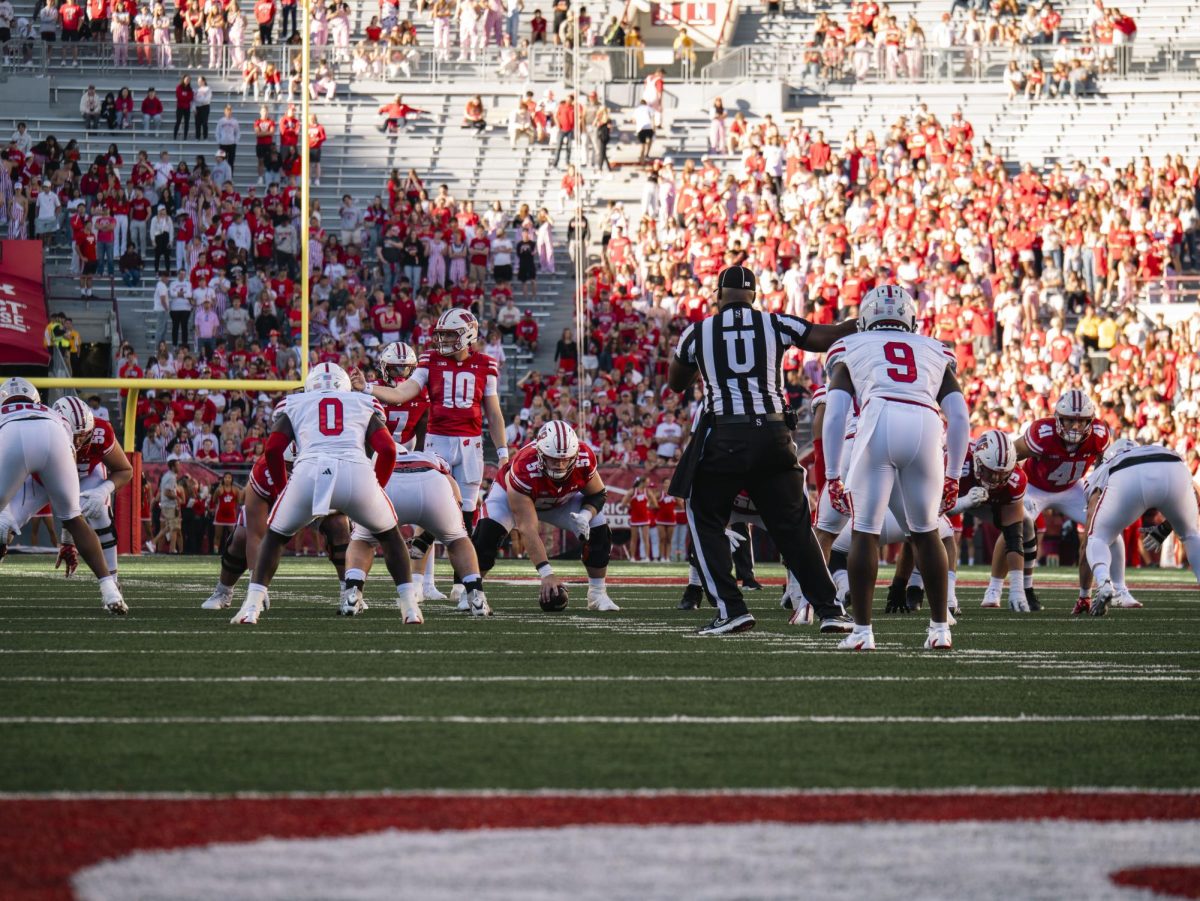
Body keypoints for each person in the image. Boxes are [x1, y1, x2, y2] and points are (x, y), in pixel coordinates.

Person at [667, 265, 855, 636]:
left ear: (719, 295)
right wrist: (866, 320)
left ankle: (731, 609)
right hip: (773, 435)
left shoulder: (698, 331)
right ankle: (831, 610)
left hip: (725, 436)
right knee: (796, 529)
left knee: (704, 516)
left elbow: (676, 382)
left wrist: (700, 368)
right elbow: (826, 337)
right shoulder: (774, 323)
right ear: (753, 295)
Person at [822, 285, 969, 651]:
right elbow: (960, 415)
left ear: (865, 315)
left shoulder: (851, 345)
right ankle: (939, 630)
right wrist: (954, 473)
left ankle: (862, 633)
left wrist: (830, 474)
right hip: (925, 423)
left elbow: (836, 412)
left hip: (879, 419)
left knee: (865, 532)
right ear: (910, 317)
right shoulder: (935, 348)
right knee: (926, 531)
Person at [228, 363, 414, 625]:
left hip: (309, 473)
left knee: (275, 537)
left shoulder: (294, 402)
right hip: (356, 473)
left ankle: (251, 607)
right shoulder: (362, 402)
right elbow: (388, 450)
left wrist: (284, 491)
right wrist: (376, 487)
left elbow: (272, 450)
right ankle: (410, 609)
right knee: (390, 535)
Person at [0, 380, 126, 615]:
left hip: (13, 439)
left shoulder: (4, 413)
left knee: (3, 523)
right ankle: (110, 589)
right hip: (54, 437)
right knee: (74, 518)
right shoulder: (49, 412)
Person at [472, 420, 619, 612]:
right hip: (513, 497)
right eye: (553, 459)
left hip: (559, 500)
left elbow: (598, 494)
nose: (559, 465)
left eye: (565, 459)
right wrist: (546, 573)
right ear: (540, 454)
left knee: (598, 526)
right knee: (487, 536)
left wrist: (584, 515)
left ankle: (598, 594)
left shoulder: (584, 456)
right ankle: (473, 594)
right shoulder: (525, 467)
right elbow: (527, 528)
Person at [1010, 389, 1133, 612]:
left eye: (1082, 421)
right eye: (1069, 420)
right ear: (1058, 418)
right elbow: (1010, 456)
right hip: (1035, 487)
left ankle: (1120, 589)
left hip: (1071, 488)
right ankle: (1007, 587)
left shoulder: (1099, 434)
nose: (1075, 427)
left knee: (1109, 525)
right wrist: (1017, 488)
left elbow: (1103, 467)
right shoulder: (1042, 432)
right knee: (1017, 526)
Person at [201, 446, 351, 610]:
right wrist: (256, 586)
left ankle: (349, 591)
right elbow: (255, 536)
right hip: (272, 505)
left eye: (296, 466)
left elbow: (343, 505)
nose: (291, 471)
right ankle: (223, 591)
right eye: (287, 466)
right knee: (242, 535)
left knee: (339, 525)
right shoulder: (263, 470)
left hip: (314, 504)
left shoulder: (325, 464)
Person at [1087, 440, 1200, 615]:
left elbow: (1093, 506)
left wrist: (1098, 529)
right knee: (1191, 535)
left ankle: (1103, 582)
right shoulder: (1155, 449)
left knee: (1098, 538)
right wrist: (1165, 528)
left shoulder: (1107, 463)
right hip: (1173, 466)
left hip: (1127, 472)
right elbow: (1196, 494)